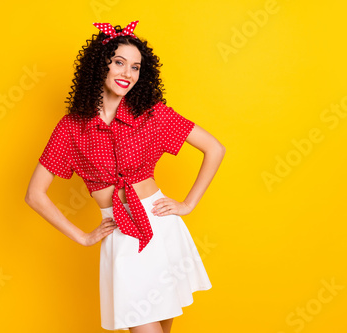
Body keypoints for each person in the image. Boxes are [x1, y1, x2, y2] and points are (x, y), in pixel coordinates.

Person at [25, 20, 225, 333]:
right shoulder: (71, 128)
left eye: (135, 67)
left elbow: (214, 148)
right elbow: (35, 194)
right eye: (119, 63)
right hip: (120, 234)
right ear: (99, 65)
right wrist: (83, 236)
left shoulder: (152, 113)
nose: (127, 74)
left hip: (161, 227)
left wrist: (187, 204)